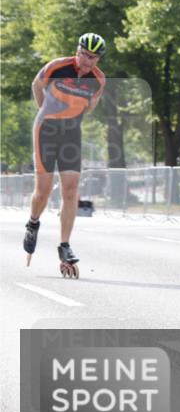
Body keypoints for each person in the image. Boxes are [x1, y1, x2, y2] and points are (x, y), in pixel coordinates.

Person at [23, 33, 107, 270]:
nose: (87, 61)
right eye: (84, 54)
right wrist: (45, 109)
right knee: (44, 191)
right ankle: (33, 222)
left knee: (71, 192)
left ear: (99, 59)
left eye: (93, 57)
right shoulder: (57, 67)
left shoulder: (98, 80)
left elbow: (90, 107)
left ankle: (64, 244)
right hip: (45, 131)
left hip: (71, 134)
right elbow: (36, 85)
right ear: (77, 50)